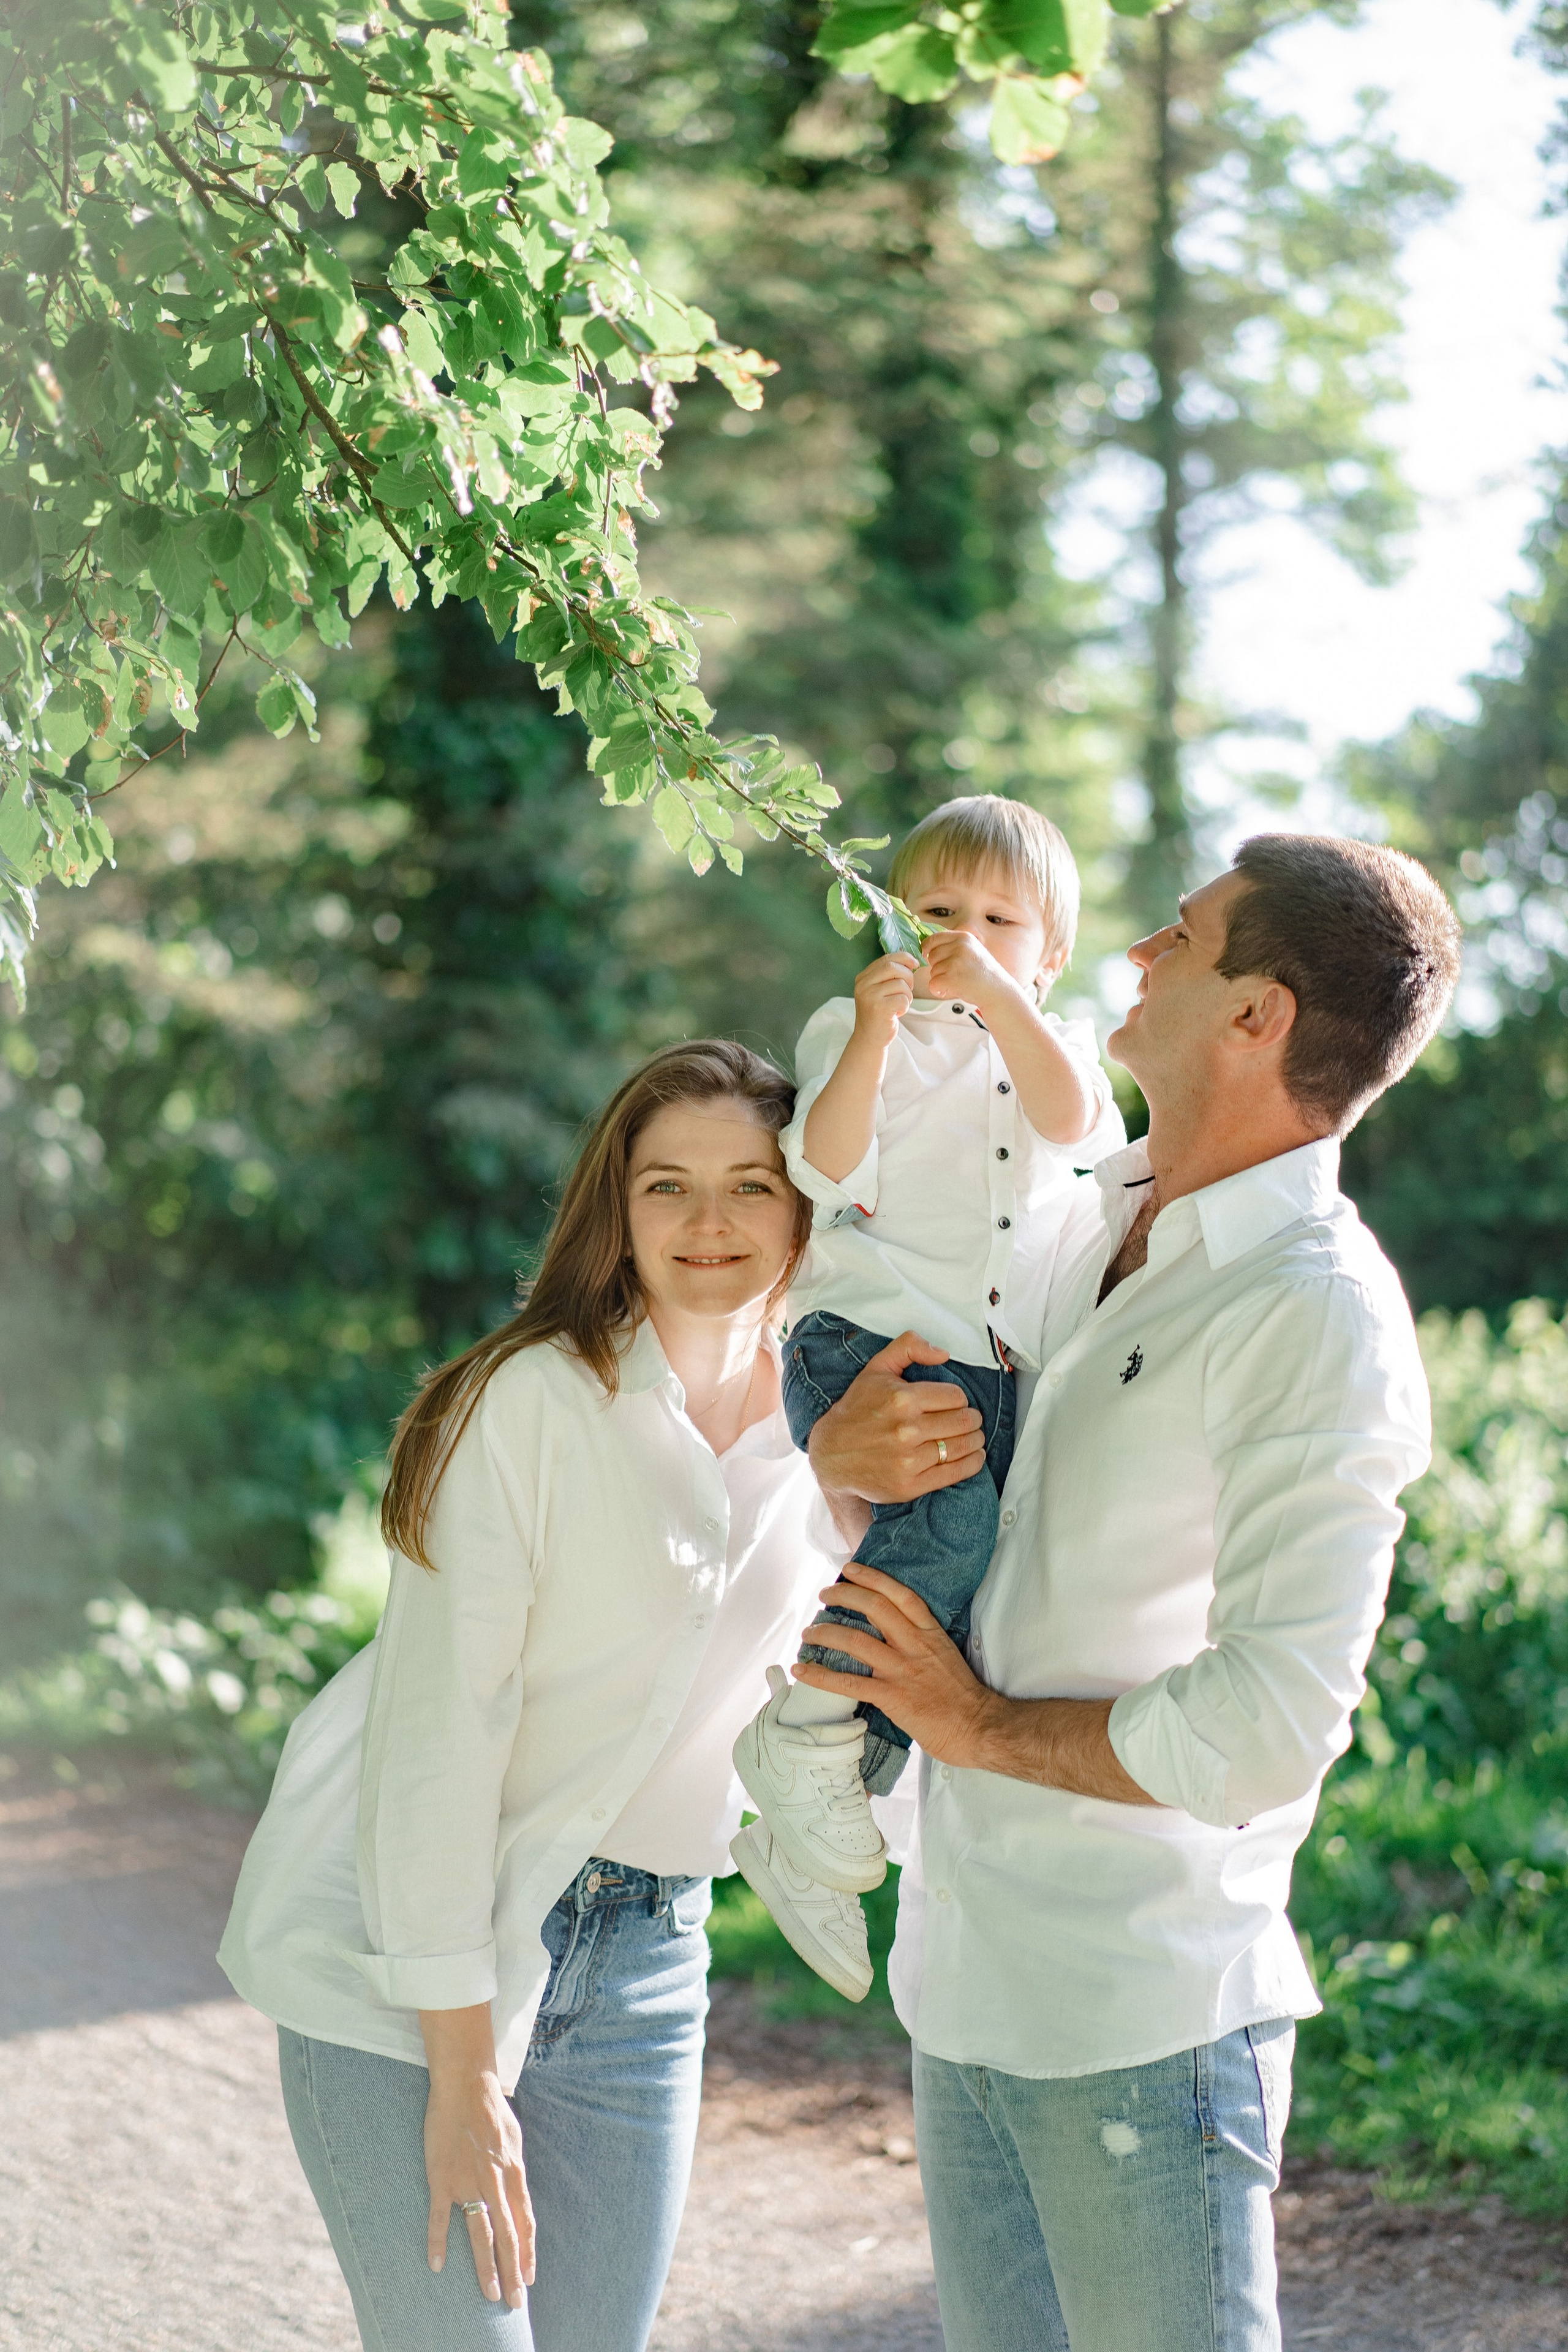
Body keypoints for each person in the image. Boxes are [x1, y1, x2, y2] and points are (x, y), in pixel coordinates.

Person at [793, 835, 1462, 2352]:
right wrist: (839, 1454)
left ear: (1256, 1015)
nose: (1137, 955)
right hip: (959, 1984)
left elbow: (1269, 1724)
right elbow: (939, 1516)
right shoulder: (1067, 1219)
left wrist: (974, 1727)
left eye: (1181, 936)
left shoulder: (1314, 1311)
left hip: (1140, 2024)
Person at [218, 1040, 856, 2352]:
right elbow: (438, 1745)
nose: (710, 1220)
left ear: (807, 1203)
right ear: (616, 1210)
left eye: (750, 1184)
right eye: (667, 1186)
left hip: (647, 1963)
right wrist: (462, 2071)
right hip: (409, 1959)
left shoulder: (831, 1428)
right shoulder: (525, 1403)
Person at [730, 797, 1124, 1989]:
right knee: (948, 1532)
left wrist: (1004, 1005)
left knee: (961, 1598)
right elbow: (823, 1168)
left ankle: (817, 1815)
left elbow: (1077, 1124)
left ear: (1050, 954)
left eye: (1000, 922)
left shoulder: (1055, 1042)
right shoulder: (860, 1027)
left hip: (984, 1361)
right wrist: (867, 1034)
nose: (963, 936)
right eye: (937, 911)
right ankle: (804, 1732)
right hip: (868, 1343)